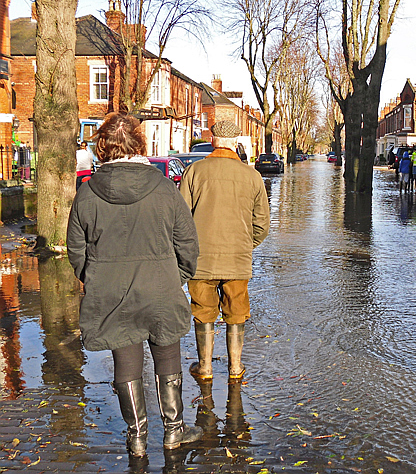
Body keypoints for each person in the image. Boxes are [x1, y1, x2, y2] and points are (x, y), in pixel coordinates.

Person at [66, 112, 203, 458]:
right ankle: (173, 431)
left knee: (125, 358)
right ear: (140, 145)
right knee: (168, 353)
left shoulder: (87, 193)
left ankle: (137, 438)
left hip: (111, 292)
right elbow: (188, 244)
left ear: (103, 148)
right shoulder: (163, 188)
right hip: (160, 287)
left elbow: (75, 249)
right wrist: (177, 277)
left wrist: (93, 279)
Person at [180, 120, 270, 383]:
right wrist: (243, 244)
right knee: (237, 309)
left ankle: (205, 367)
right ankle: (236, 366)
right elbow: (262, 224)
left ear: (212, 138)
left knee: (203, 309)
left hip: (200, 258)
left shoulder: (194, 172)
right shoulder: (252, 176)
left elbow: (181, 218)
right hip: (237, 258)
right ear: (235, 142)